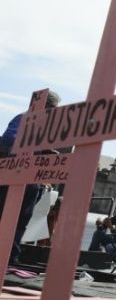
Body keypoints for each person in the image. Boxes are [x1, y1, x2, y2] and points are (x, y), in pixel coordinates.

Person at [0, 90, 60, 265]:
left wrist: (45, 151)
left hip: (31, 181)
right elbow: (8, 140)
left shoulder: (44, 128)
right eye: (51, 108)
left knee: (22, 220)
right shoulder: (23, 118)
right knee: (5, 216)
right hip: (13, 176)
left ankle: (10, 258)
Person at [87, 200, 116, 268]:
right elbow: (102, 228)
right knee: (98, 233)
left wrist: (111, 228)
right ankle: (90, 257)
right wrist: (99, 225)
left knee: (111, 246)